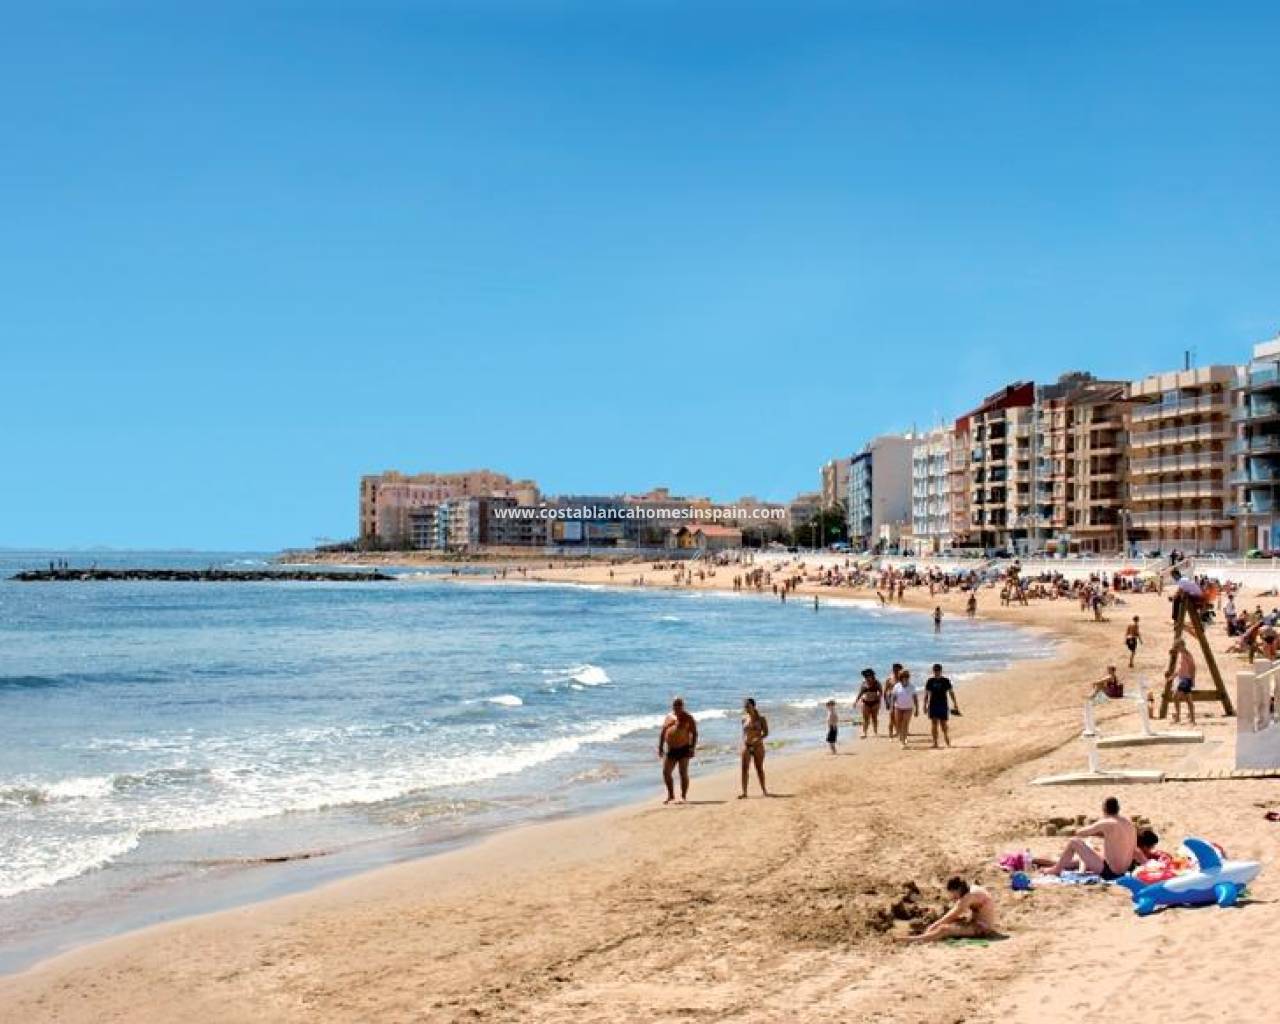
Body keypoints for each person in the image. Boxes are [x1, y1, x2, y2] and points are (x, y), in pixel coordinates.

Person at [1043, 796, 1139, 880]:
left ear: (1104, 809)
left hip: (1110, 872)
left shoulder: (1107, 822)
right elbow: (1132, 848)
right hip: (1125, 870)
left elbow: (1080, 833)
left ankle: (1056, 870)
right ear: (1118, 809)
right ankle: (1061, 864)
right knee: (1095, 851)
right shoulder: (1129, 824)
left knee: (1073, 842)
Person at [903, 877, 998, 943]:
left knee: (944, 929)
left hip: (982, 928)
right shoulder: (971, 890)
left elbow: (951, 916)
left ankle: (914, 939)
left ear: (958, 889)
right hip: (978, 922)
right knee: (948, 923)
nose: (953, 896)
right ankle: (924, 936)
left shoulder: (968, 897)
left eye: (953, 893)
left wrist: (932, 927)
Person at [658, 697, 698, 804]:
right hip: (671, 749)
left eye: (679, 704)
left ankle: (683, 796)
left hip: (683, 748)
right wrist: (660, 747)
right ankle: (671, 795)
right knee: (666, 772)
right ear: (672, 705)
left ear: (682, 706)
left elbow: (694, 733)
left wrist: (692, 748)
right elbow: (663, 732)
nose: (677, 706)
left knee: (683, 773)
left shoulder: (688, 717)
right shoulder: (669, 717)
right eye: (675, 704)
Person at [739, 697, 769, 798]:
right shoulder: (744, 719)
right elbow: (744, 733)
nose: (746, 708)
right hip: (747, 746)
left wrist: (758, 738)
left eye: (748, 706)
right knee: (744, 769)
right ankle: (744, 792)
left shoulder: (761, 719)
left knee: (759, 768)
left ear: (753, 706)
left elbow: (766, 733)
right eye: (745, 706)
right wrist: (743, 742)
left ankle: (764, 790)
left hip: (758, 746)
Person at [924, 664, 960, 748]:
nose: (936, 672)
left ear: (941, 671)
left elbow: (951, 692)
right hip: (933, 704)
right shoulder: (930, 681)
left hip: (943, 704)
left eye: (938, 670)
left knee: (943, 724)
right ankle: (935, 743)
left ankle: (947, 740)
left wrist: (955, 703)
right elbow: (926, 694)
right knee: (934, 724)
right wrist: (924, 705)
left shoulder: (945, 680)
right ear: (933, 671)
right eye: (935, 670)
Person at [1165, 637, 1197, 726]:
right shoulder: (1182, 654)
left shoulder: (1187, 655)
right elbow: (1180, 670)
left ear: (1182, 646)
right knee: (1188, 700)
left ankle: (1179, 718)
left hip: (1185, 679)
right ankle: (1192, 720)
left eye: (1177, 647)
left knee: (1176, 696)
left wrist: (1193, 679)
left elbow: (1193, 667)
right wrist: (1172, 677)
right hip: (1182, 678)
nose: (1176, 649)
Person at [889, 669, 918, 749]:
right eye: (903, 677)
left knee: (905, 723)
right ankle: (902, 737)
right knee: (898, 724)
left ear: (908, 677)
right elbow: (893, 698)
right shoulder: (897, 686)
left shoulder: (912, 686)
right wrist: (891, 707)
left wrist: (917, 709)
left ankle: (903, 741)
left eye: (906, 676)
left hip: (908, 708)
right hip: (898, 708)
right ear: (900, 678)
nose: (905, 678)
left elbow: (915, 698)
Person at [856, 668, 883, 738]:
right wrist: (856, 701)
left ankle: (875, 732)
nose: (867, 678)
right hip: (865, 702)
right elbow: (860, 693)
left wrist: (879, 697)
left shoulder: (877, 683)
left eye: (868, 676)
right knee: (865, 718)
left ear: (872, 675)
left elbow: (881, 692)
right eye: (865, 676)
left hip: (875, 703)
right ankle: (864, 733)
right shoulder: (863, 683)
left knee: (874, 718)